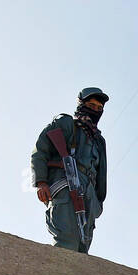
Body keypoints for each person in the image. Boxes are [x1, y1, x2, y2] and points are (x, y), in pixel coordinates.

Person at [31, 87, 109, 253]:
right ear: (81, 104)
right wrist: (41, 181)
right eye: (91, 105)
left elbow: (101, 176)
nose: (95, 110)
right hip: (65, 186)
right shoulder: (66, 124)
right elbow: (41, 151)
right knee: (67, 241)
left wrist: (98, 203)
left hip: (89, 194)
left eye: (99, 108)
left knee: (83, 247)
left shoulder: (99, 140)